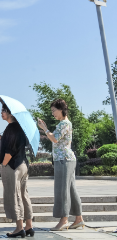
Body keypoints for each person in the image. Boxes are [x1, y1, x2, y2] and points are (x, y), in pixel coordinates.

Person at [38, 98, 84, 230]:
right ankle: (79, 219)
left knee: (62, 189)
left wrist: (44, 128)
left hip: (64, 160)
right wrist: (46, 130)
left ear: (61, 110)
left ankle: (64, 220)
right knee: (70, 189)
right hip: (66, 159)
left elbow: (54, 139)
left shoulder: (63, 123)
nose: (53, 113)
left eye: (54, 110)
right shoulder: (64, 123)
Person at [0, 99, 33, 238]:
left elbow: (10, 150)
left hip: (12, 166)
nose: (1, 113)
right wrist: (1, 138)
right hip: (22, 164)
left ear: (10, 112)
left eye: (3, 110)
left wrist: (3, 164)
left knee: (13, 195)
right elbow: (16, 144)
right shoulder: (19, 127)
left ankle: (19, 227)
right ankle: (29, 226)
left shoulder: (11, 128)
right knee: (23, 194)